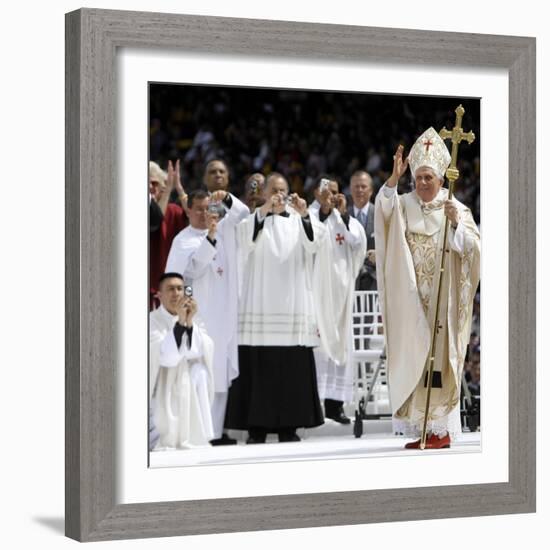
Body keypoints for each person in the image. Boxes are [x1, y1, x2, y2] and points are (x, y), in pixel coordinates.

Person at [374, 128, 480, 449]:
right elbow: (383, 210)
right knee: (415, 358)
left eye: (428, 178)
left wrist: (458, 226)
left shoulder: (456, 208)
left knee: (436, 362)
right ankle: (421, 427)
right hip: (411, 300)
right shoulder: (403, 203)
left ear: (441, 179)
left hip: (441, 300)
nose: (422, 184)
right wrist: (393, 178)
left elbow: (475, 250)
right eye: (418, 178)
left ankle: (439, 430)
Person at [225, 173, 326, 443]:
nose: (279, 195)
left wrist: (305, 216)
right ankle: (256, 428)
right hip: (260, 310)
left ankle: (289, 426)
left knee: (290, 371)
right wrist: (264, 211)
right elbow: (243, 240)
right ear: (266, 193)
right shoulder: (253, 220)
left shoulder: (299, 219)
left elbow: (317, 242)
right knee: (259, 369)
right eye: (274, 190)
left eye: (283, 190)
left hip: (292, 310)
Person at [165, 188, 249, 445]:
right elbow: (190, 271)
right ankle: (200, 431)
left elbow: (244, 213)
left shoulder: (224, 229)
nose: (204, 214)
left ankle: (216, 431)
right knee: (200, 372)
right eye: (198, 209)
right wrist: (209, 240)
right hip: (199, 317)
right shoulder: (183, 240)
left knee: (221, 373)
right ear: (188, 210)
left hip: (223, 314)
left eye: (208, 208)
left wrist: (225, 199)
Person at [309, 176, 366, 424]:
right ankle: (315, 405)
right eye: (326, 191)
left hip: (341, 295)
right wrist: (324, 212)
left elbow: (358, 245)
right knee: (319, 350)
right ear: (316, 192)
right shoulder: (308, 217)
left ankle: (335, 405)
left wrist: (342, 217)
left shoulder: (347, 221)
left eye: (335, 192)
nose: (330, 196)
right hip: (317, 294)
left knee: (341, 346)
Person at [150, 273, 215, 449]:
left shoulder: (193, 318)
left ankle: (195, 433)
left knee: (199, 372)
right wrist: (181, 322)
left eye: (180, 288)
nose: (176, 293)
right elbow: (165, 356)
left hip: (187, 379)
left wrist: (189, 321)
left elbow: (202, 348)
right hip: (162, 381)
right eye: (170, 289)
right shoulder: (151, 320)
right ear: (159, 294)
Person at [149, 160, 188, 309]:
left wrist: (177, 187)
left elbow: (193, 216)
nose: (150, 187)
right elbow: (154, 220)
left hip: (170, 289)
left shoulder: (174, 211)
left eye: (155, 183)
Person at [348, 170, 377, 290]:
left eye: (363, 186)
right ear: (350, 190)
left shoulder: (380, 215)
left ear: (370, 191)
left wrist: (379, 254)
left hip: (374, 280)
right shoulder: (341, 216)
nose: (359, 190)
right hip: (349, 279)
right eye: (356, 186)